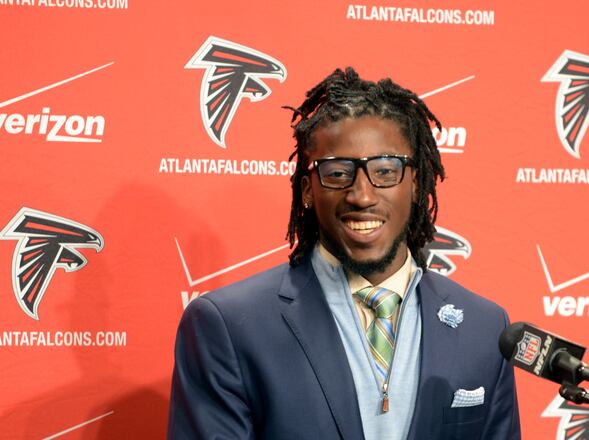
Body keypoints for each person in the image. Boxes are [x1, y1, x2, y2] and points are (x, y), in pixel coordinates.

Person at [168, 67, 520, 439]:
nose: (362, 195)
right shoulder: (229, 326)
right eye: (337, 173)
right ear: (307, 190)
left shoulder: (485, 328)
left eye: (386, 170)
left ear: (415, 184)